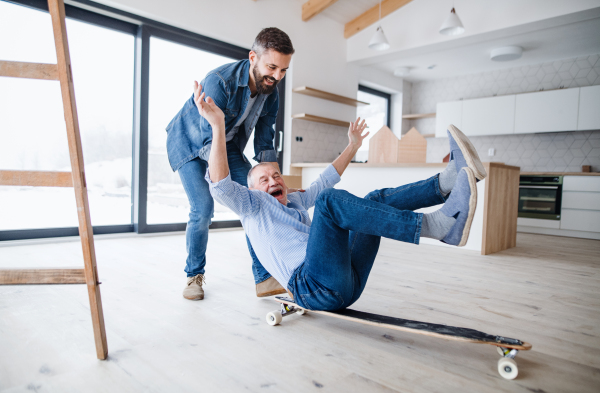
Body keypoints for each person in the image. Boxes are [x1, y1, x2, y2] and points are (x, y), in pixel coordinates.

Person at [194, 83, 487, 311]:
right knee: (328, 202)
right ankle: (438, 226)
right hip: (312, 287)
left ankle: (445, 183)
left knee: (372, 199)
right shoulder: (252, 207)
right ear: (253, 190)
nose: (273, 180)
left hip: (347, 281)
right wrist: (218, 127)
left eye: (277, 176)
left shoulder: (294, 201)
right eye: (264, 179)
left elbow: (327, 179)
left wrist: (353, 145)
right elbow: (220, 185)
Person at [166, 28, 295, 300]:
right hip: (191, 143)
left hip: (226, 143)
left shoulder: (272, 91)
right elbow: (207, 143)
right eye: (272, 67)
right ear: (253, 57)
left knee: (257, 198)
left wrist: (276, 187)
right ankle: (193, 276)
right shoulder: (219, 82)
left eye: (283, 70)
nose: (277, 76)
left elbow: (265, 143)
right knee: (203, 208)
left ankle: (266, 276)